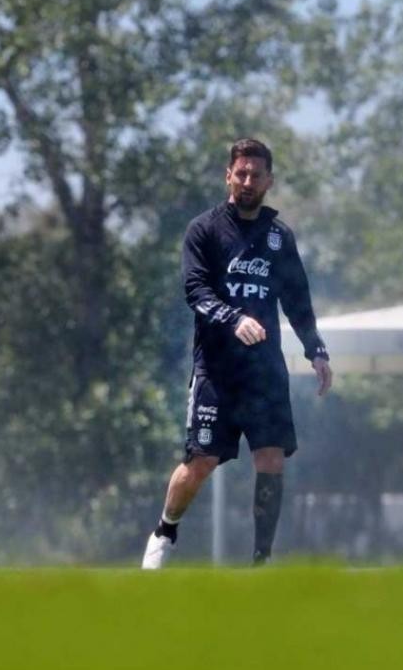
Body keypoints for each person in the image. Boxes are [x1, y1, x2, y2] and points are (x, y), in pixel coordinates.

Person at [142, 137, 332, 569]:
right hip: (216, 372)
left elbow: (297, 299)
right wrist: (233, 319)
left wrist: (315, 350)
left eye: (256, 174)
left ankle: (261, 560)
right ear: (228, 175)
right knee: (201, 462)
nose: (248, 181)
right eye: (240, 173)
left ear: (269, 181)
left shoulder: (280, 238)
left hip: (265, 373)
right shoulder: (204, 230)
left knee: (270, 458)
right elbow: (195, 290)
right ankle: (164, 531)